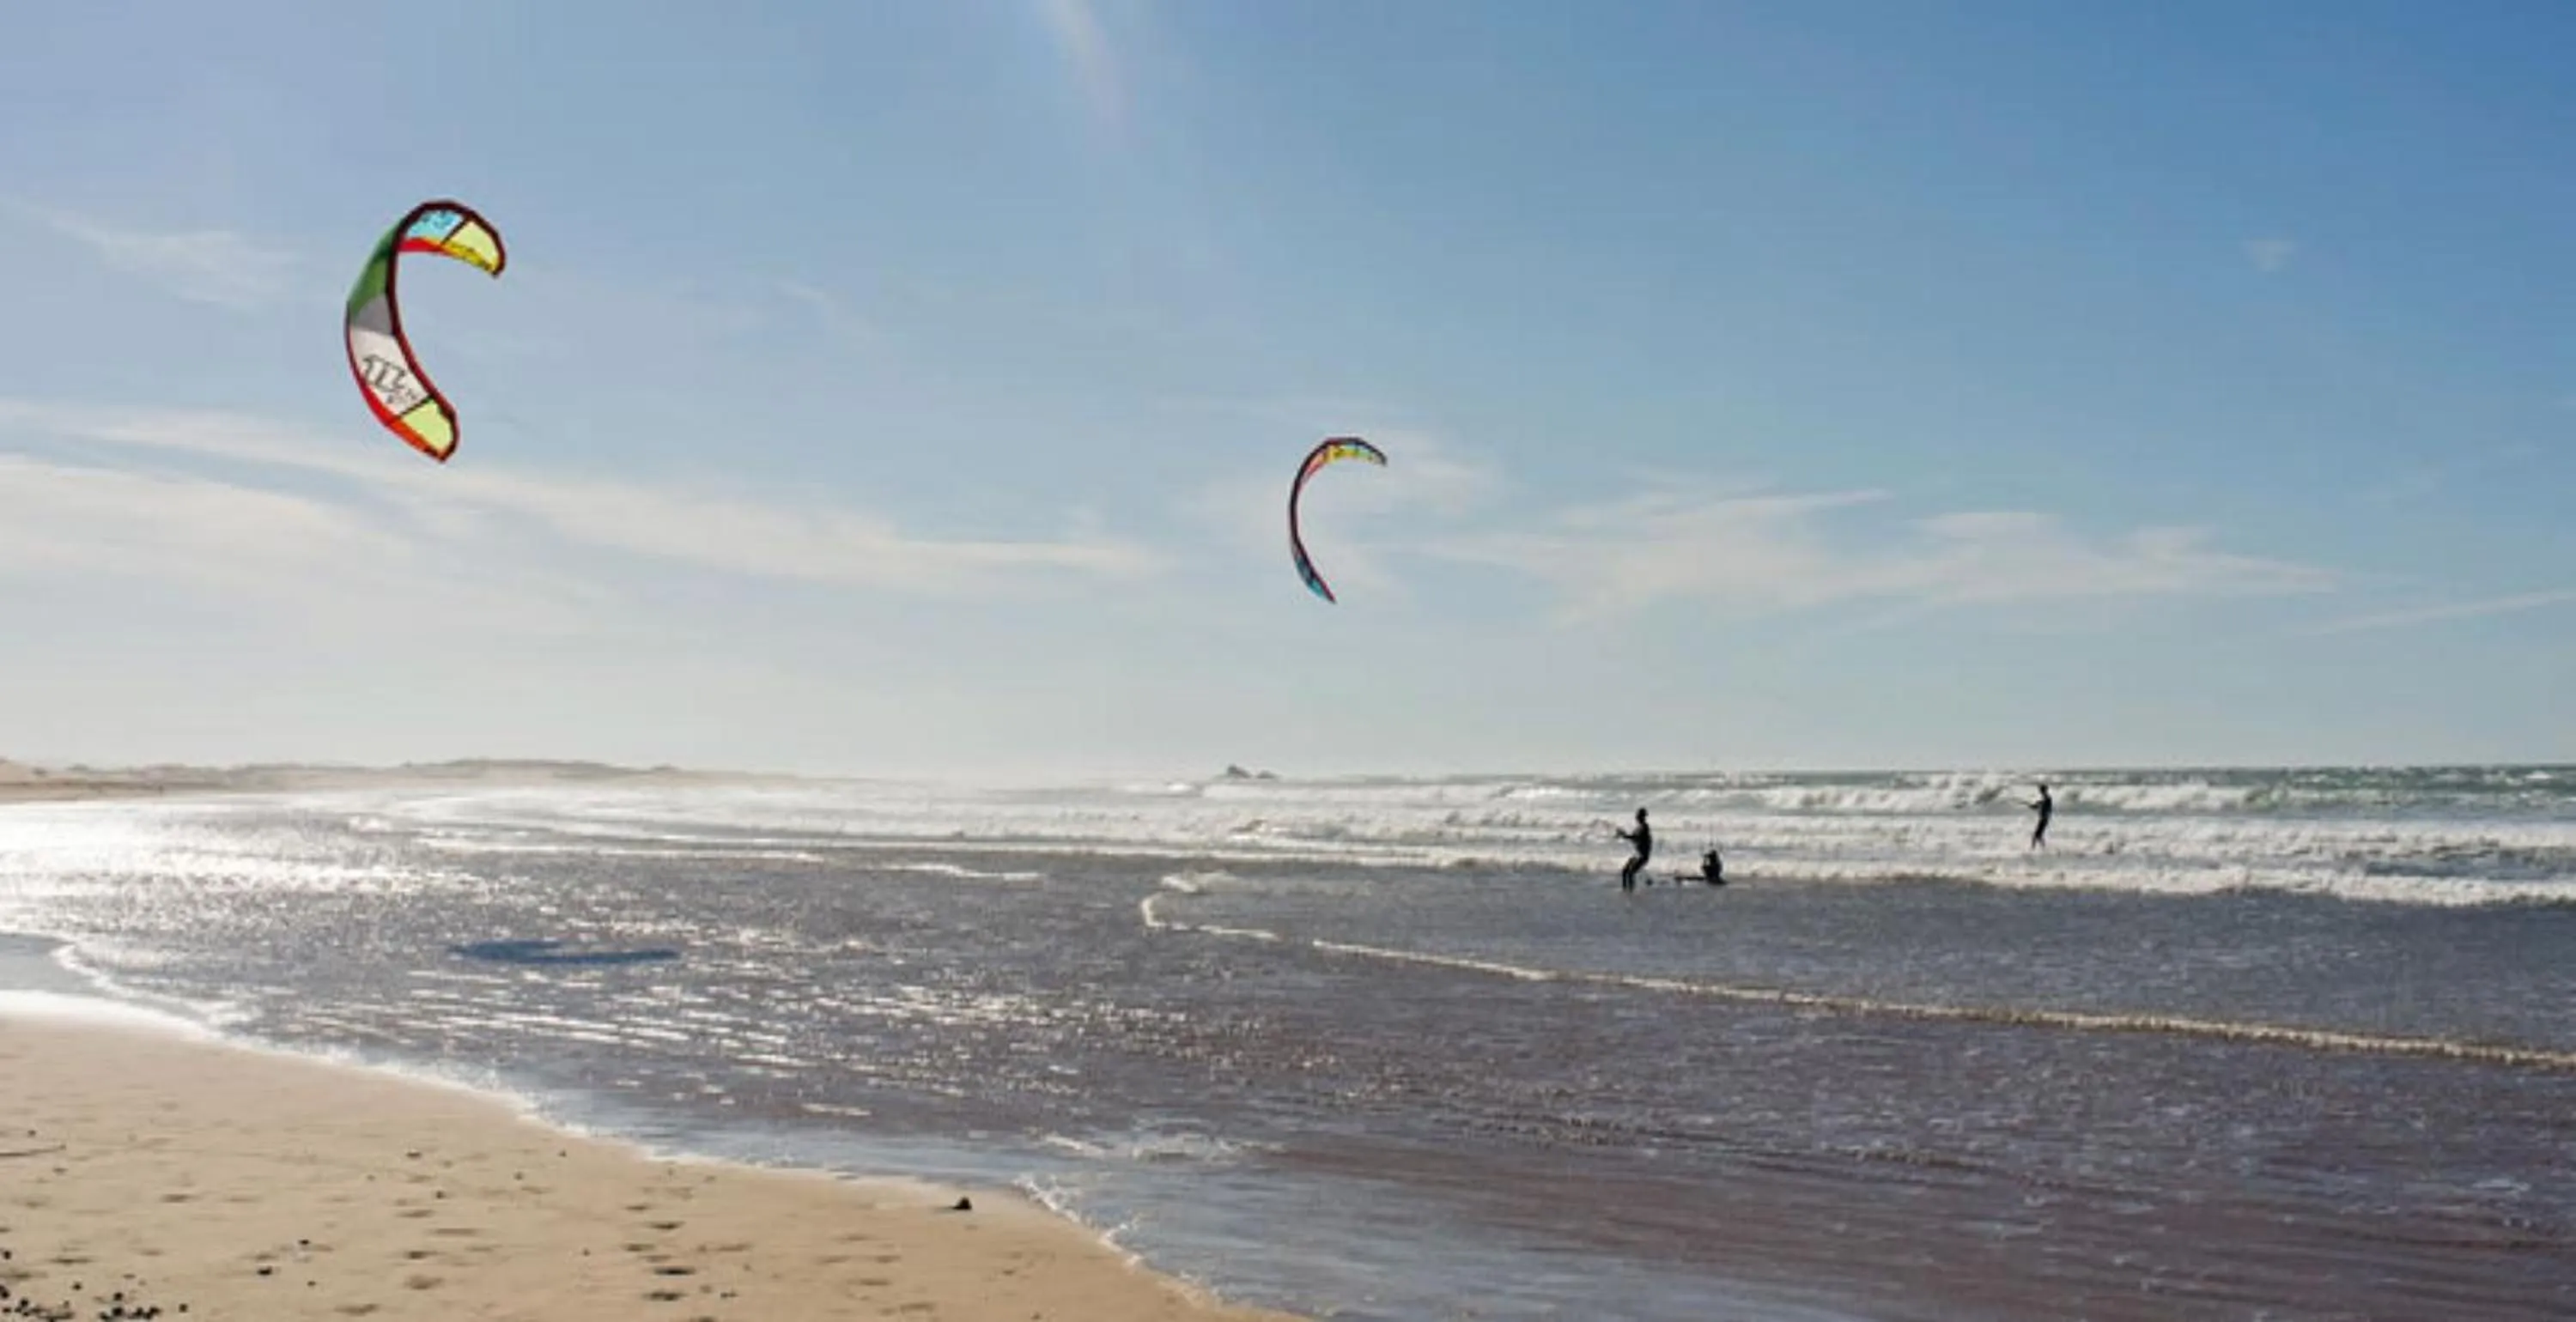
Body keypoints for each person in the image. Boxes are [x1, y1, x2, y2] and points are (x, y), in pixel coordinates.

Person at [1615, 808, 1652, 892]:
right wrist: (1624, 835)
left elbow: (1636, 838)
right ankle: (1625, 889)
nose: (1637, 817)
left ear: (1642, 817)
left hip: (1643, 855)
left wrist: (1624, 835)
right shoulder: (1639, 828)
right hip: (1637, 854)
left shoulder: (1644, 827)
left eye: (1639, 816)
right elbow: (1634, 838)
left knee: (1631, 873)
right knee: (1625, 871)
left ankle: (1631, 890)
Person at [2026, 783, 2052, 850]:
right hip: (2043, 819)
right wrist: (2032, 806)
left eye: (2041, 790)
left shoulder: (2047, 799)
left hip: (2044, 819)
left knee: (2036, 836)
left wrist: (2045, 816)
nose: (2040, 792)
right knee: (2038, 835)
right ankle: (2042, 848)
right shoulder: (2044, 799)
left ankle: (2034, 848)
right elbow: (2036, 806)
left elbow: (2048, 809)